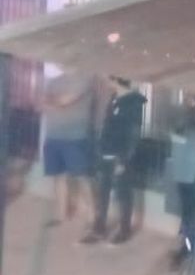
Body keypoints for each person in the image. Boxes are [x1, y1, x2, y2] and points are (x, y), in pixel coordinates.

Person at [81, 76, 146, 245]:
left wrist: (123, 160)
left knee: (123, 194)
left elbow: (132, 135)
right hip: (106, 153)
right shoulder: (115, 98)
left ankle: (124, 229)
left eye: (109, 80)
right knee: (103, 192)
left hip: (120, 156)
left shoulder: (133, 103)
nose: (107, 83)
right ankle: (99, 227)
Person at [40, 68, 94, 226]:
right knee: (58, 177)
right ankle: (61, 215)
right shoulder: (55, 81)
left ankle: (92, 217)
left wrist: (54, 102)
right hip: (53, 135)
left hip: (75, 137)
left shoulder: (85, 78)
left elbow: (65, 101)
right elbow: (43, 102)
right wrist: (56, 102)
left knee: (82, 176)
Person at [167, 102, 195, 265]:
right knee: (187, 214)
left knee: (194, 214)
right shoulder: (185, 113)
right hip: (183, 170)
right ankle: (186, 247)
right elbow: (174, 130)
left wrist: (192, 116)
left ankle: (190, 250)